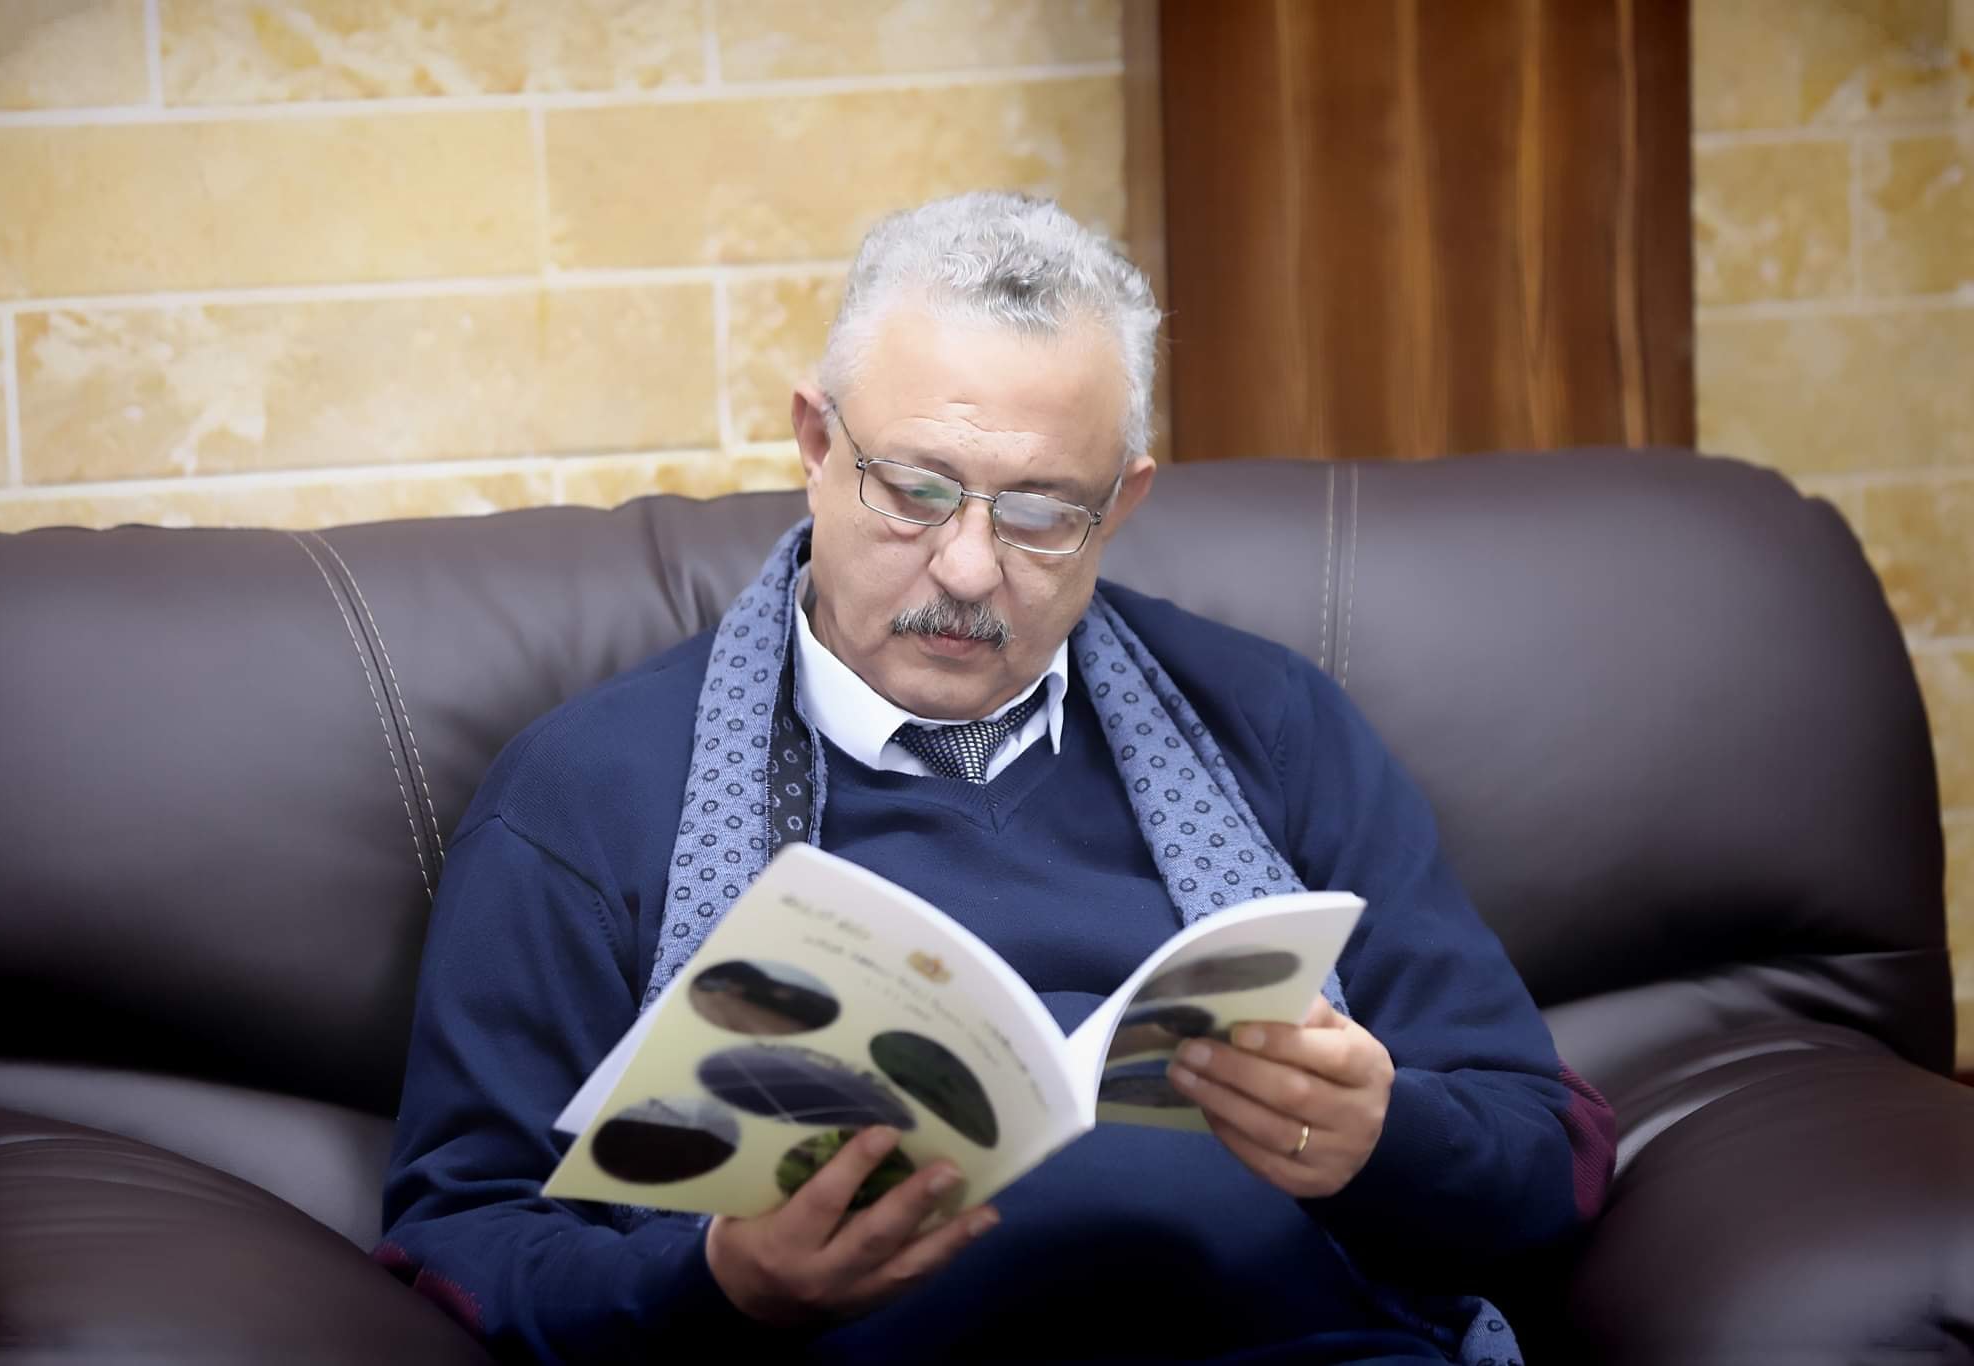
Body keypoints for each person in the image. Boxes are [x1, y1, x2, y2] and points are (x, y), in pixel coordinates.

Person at [377, 192, 1615, 1364]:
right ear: (815, 442)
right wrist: (716, 1281)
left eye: (1037, 514)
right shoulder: (585, 799)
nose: (966, 569)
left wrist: (1381, 1138)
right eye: (913, 493)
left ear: (1119, 504)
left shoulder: (1268, 726)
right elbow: (462, 1238)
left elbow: (1545, 1152)